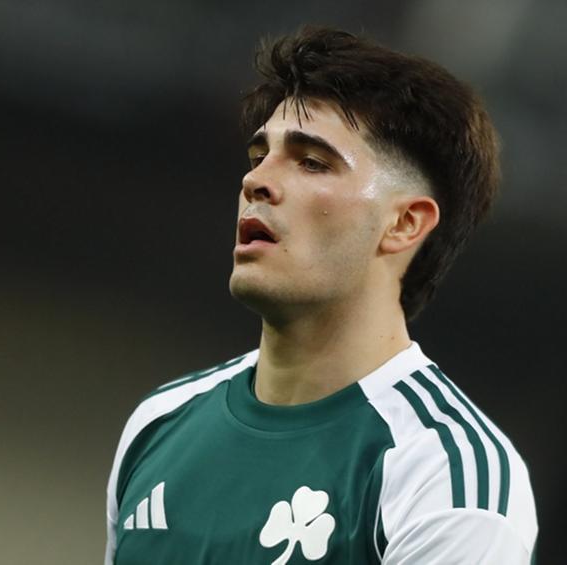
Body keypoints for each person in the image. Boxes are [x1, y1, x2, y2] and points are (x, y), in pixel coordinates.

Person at [104, 26, 537, 564]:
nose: (256, 181)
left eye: (311, 162)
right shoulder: (160, 423)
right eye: (259, 156)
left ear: (404, 223)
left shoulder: (445, 477)